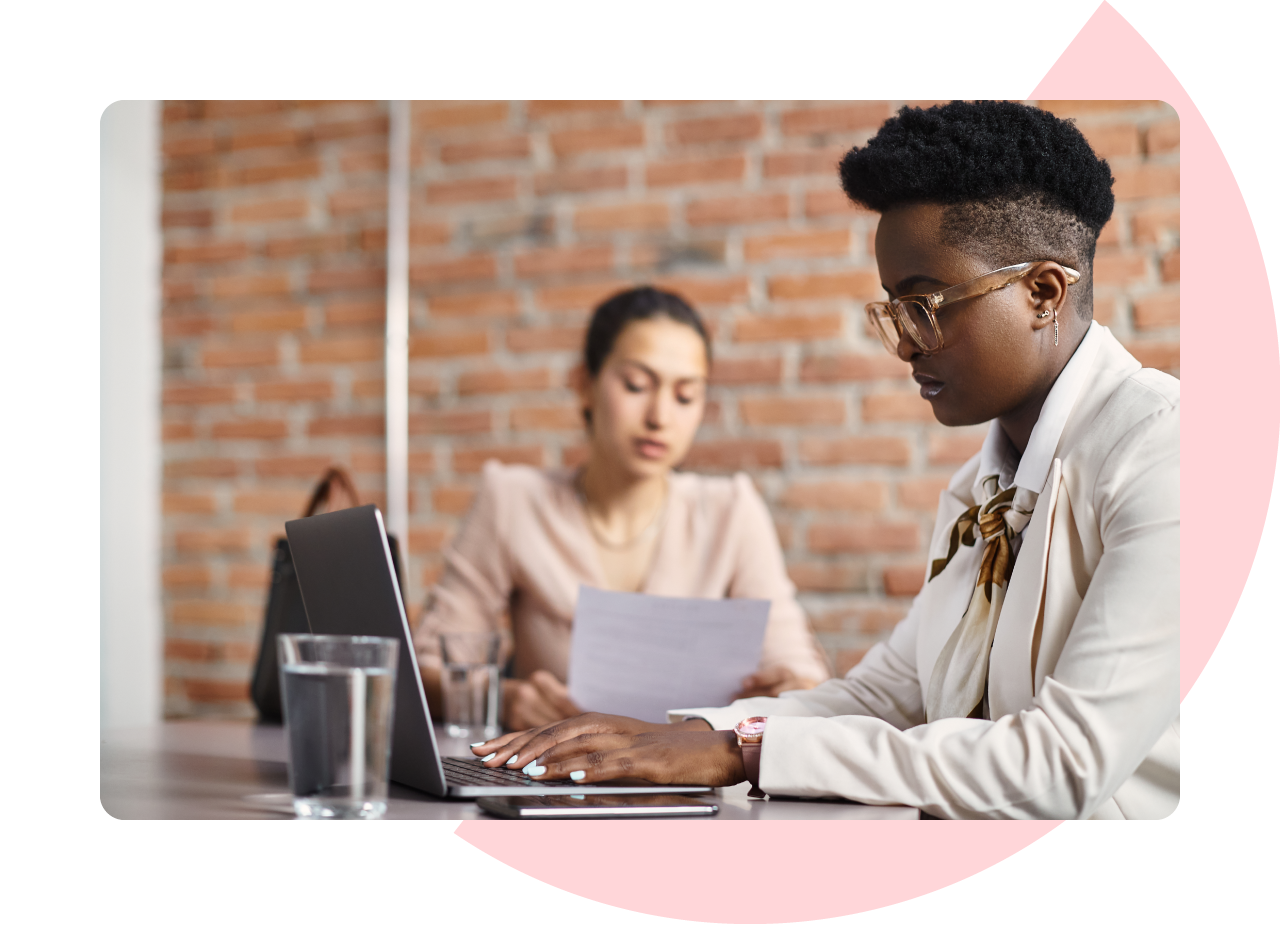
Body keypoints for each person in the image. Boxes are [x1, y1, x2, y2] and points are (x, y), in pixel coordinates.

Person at [469, 101, 1181, 820]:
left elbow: (1065, 763)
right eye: (893, 310)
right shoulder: (981, 489)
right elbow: (885, 694)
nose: (905, 342)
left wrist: (741, 752)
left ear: (1043, 293)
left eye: (925, 304)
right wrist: (685, 733)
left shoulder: (1164, 450)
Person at [414, 286, 830, 731]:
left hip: (692, 786)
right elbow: (424, 669)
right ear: (584, 384)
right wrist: (502, 698)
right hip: (556, 782)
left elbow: (802, 673)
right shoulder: (513, 501)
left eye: (685, 396)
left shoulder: (730, 511)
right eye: (636, 385)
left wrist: (786, 690)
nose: (659, 416)